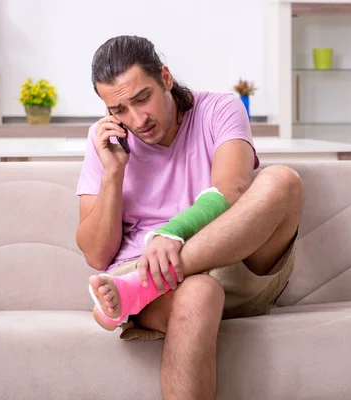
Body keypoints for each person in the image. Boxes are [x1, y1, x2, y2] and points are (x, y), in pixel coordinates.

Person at [75, 35, 303, 400]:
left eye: (142, 98)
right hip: (167, 286)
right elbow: (96, 256)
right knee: (198, 292)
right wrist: (113, 173)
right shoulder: (104, 142)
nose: (137, 120)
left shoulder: (220, 109)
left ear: (165, 77)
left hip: (231, 262)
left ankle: (141, 284)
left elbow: (233, 190)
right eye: (119, 110)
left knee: (283, 181)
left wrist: (171, 234)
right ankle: (146, 284)